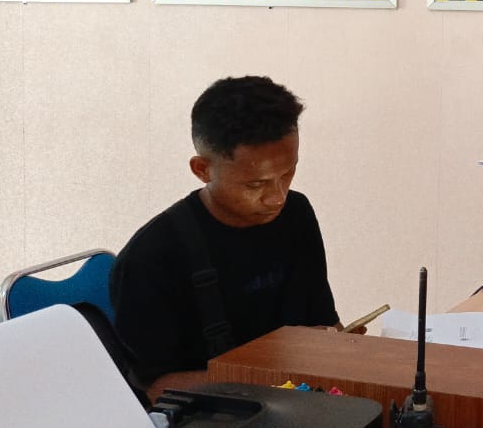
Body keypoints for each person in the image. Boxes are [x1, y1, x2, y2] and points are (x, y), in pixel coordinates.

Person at [111, 75, 343, 400]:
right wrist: (268, 380)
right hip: (210, 416)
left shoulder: (296, 213)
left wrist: (334, 344)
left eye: (288, 173)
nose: (277, 197)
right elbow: (155, 389)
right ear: (202, 170)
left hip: (295, 400)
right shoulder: (150, 258)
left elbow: (325, 323)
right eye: (255, 184)